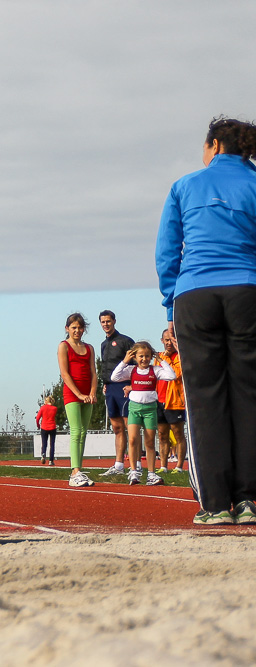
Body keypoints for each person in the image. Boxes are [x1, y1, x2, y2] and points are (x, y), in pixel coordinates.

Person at [155, 116, 256, 525]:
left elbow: (167, 252)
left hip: (196, 294)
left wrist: (169, 306)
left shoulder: (185, 185)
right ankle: (250, 500)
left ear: (213, 145)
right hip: (248, 290)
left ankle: (214, 504)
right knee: (249, 396)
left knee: (204, 399)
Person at [110, 342, 176, 486]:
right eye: (141, 356)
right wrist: (125, 361)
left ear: (151, 356)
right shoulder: (131, 370)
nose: (144, 359)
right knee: (133, 440)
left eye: (147, 356)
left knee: (150, 442)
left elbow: (172, 376)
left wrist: (160, 360)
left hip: (150, 409)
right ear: (135, 356)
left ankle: (151, 474)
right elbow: (114, 377)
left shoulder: (155, 370)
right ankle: (134, 471)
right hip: (134, 408)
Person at [57, 313, 97, 488]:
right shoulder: (63, 346)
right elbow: (65, 374)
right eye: (74, 327)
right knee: (76, 430)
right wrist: (79, 394)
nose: (77, 331)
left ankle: (78, 470)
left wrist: (92, 392)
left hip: (88, 394)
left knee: (83, 432)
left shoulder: (89, 348)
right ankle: (75, 471)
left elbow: (93, 372)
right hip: (73, 394)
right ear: (67, 329)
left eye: (80, 328)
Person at [98, 311, 135, 478]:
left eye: (108, 321)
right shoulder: (103, 344)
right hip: (110, 389)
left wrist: (132, 386)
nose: (106, 324)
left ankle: (136, 466)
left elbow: (138, 365)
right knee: (117, 427)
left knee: (131, 427)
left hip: (124, 388)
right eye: (103, 322)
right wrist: (105, 383)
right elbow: (105, 367)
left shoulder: (126, 341)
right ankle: (119, 465)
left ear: (114, 321)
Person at [155, 329, 187, 474]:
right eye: (166, 340)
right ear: (162, 341)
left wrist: (166, 358)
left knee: (178, 433)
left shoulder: (180, 357)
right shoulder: (158, 357)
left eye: (171, 340)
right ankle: (163, 466)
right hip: (159, 400)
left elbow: (175, 374)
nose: (169, 343)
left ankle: (179, 466)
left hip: (174, 402)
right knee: (162, 435)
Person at [34, 395, 57, 465]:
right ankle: (51, 460)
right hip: (52, 427)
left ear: (46, 401)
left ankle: (43, 454)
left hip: (44, 427)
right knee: (52, 444)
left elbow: (37, 418)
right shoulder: (55, 408)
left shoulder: (43, 408)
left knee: (44, 443)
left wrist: (38, 425)